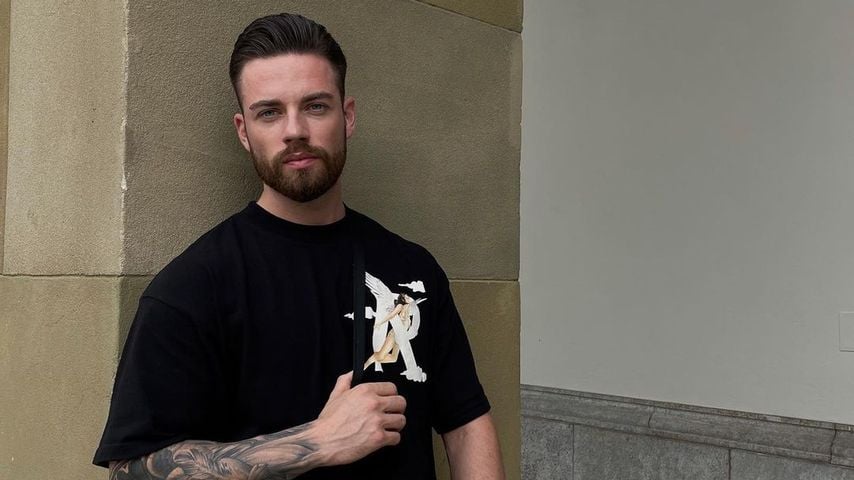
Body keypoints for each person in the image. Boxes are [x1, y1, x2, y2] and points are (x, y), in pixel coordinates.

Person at [93, 12, 505, 480]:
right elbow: (128, 471)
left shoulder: (411, 269)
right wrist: (317, 442)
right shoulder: (192, 288)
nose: (294, 131)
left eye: (315, 106)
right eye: (269, 112)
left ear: (347, 117)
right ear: (244, 131)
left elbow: (465, 424)